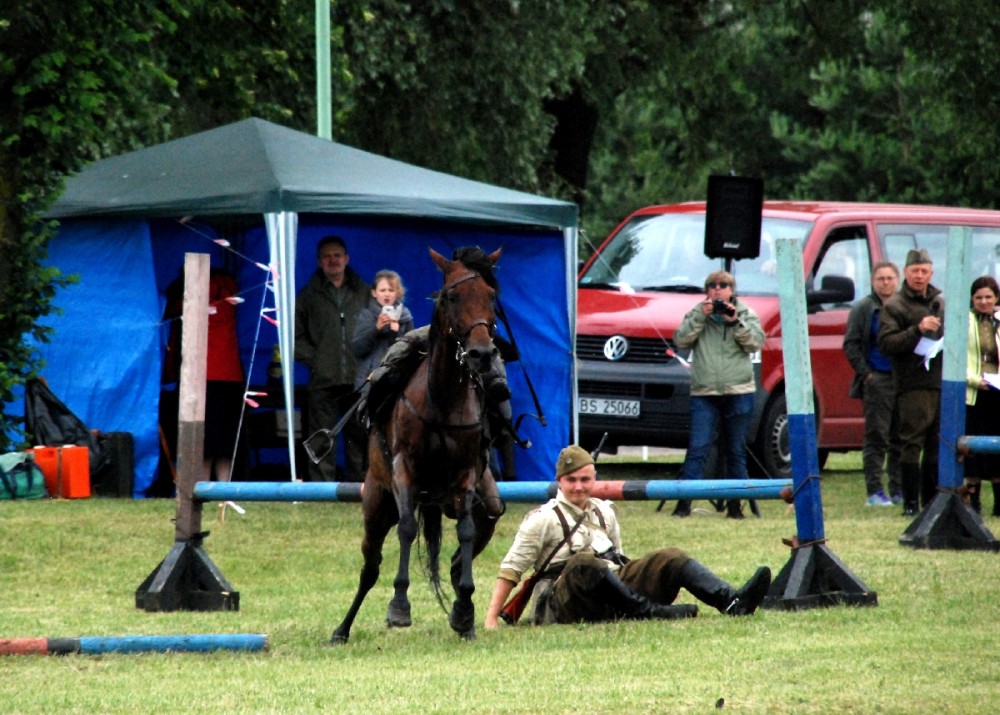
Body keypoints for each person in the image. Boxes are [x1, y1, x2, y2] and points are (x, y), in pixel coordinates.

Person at [483, 445, 772, 628]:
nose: (579, 487)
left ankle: (732, 602)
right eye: (571, 480)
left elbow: (619, 562)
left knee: (670, 557)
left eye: (585, 479)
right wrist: (491, 618)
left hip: (609, 594)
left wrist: (647, 575)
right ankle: (650, 613)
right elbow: (511, 570)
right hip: (564, 602)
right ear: (559, 481)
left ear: (594, 479)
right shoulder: (542, 518)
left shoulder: (604, 512)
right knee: (585, 563)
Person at [670, 270, 765, 519]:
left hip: (739, 391)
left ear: (732, 290)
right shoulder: (697, 312)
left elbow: (755, 343)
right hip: (705, 392)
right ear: (706, 291)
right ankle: (684, 505)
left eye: (723, 285)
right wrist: (700, 317)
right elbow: (681, 340)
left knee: (736, 451)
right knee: (698, 449)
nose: (717, 289)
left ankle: (735, 506)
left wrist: (734, 322)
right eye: (712, 285)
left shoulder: (745, 313)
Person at [294, 236, 370, 482]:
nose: (333, 260)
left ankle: (359, 487)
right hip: (323, 380)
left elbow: (377, 331)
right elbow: (294, 336)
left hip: (358, 379)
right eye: (327, 256)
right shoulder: (308, 295)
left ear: (347, 259)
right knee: (321, 437)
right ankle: (322, 490)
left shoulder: (364, 292)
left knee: (359, 437)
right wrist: (317, 361)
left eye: (337, 255)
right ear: (319, 261)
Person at [162, 267, 245, 484]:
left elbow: (169, 315)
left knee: (202, 440)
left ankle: (202, 487)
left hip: (197, 373)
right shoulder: (229, 287)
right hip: (230, 373)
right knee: (225, 440)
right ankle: (225, 489)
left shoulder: (186, 295)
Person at [877, 248, 943, 517]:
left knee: (937, 444)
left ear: (931, 273)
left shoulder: (940, 302)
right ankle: (911, 503)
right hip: (912, 383)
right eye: (915, 271)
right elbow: (886, 343)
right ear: (905, 272)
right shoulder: (895, 305)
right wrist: (917, 330)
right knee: (911, 443)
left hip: (939, 381)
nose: (919, 276)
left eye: (924, 271)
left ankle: (932, 501)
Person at [843, 261, 903, 507]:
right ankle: (875, 491)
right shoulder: (864, 308)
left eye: (890, 278)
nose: (885, 283)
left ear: (898, 280)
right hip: (878, 378)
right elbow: (851, 344)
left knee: (901, 437)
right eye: (881, 278)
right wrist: (866, 373)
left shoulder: (904, 305)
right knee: (877, 436)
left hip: (904, 379)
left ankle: (899, 488)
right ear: (872, 281)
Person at [964, 276, 1000, 516]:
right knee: (973, 449)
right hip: (975, 392)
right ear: (972, 299)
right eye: (979, 298)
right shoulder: (964, 322)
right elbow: (957, 357)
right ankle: (973, 501)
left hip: (998, 391)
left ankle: (999, 502)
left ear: (996, 298)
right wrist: (976, 380)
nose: (984, 302)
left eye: (988, 297)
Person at [351, 270, 414, 391]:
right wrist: (376, 329)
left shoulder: (405, 317)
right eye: (382, 290)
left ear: (397, 293)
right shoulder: (366, 315)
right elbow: (357, 349)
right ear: (374, 293)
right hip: (370, 379)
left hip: (397, 380)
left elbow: (410, 353)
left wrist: (395, 334)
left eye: (391, 290)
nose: (387, 294)